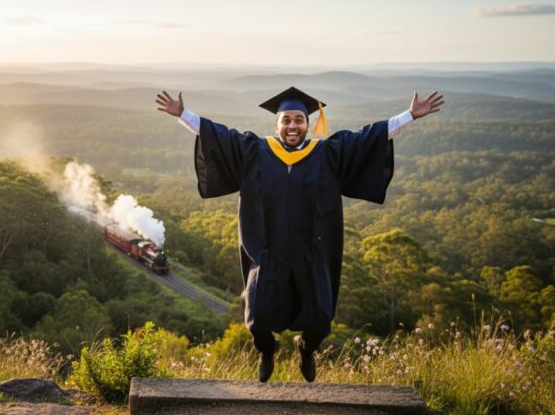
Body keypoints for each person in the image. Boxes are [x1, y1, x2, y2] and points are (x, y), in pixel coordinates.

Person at [155, 86, 444, 383]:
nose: (293, 126)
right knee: (257, 321)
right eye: (286, 120)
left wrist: (410, 115)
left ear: (308, 124)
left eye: (299, 120)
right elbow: (217, 135)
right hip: (268, 254)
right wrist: (182, 114)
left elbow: (369, 137)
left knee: (320, 322)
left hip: (312, 254)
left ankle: (306, 349)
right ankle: (267, 351)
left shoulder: (328, 154)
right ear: (276, 124)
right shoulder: (254, 151)